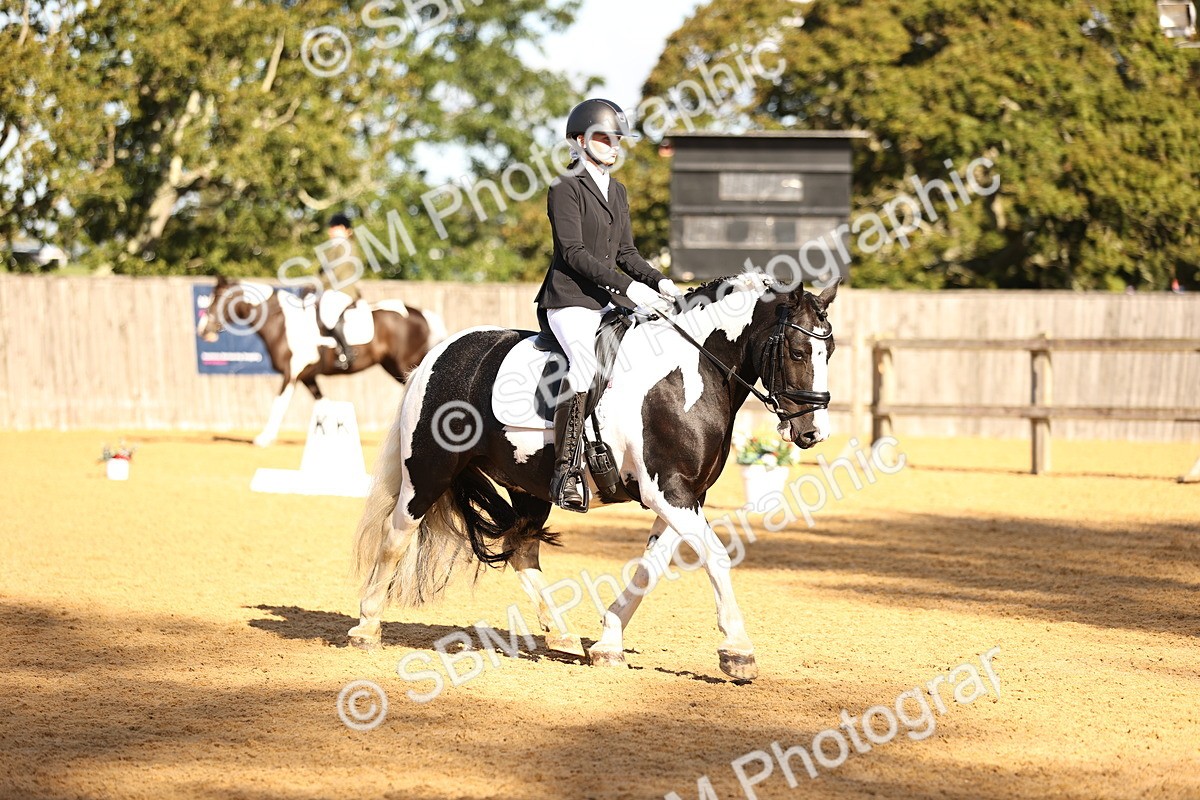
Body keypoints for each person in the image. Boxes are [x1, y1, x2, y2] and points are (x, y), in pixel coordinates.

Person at [535, 98, 685, 512]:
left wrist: (660, 282)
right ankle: (564, 470)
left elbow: (626, 252)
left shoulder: (617, 191)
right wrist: (628, 288)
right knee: (585, 366)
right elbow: (574, 252)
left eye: (617, 138)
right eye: (604, 137)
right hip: (570, 301)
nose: (613, 145)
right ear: (579, 141)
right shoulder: (564, 188)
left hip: (607, 301)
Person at [318, 212, 363, 370]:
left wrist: (319, 284)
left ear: (344, 229)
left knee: (328, 316)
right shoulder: (333, 248)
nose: (330, 231)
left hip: (343, 290)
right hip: (332, 289)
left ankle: (347, 352)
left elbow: (337, 271)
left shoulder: (347, 246)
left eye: (334, 228)